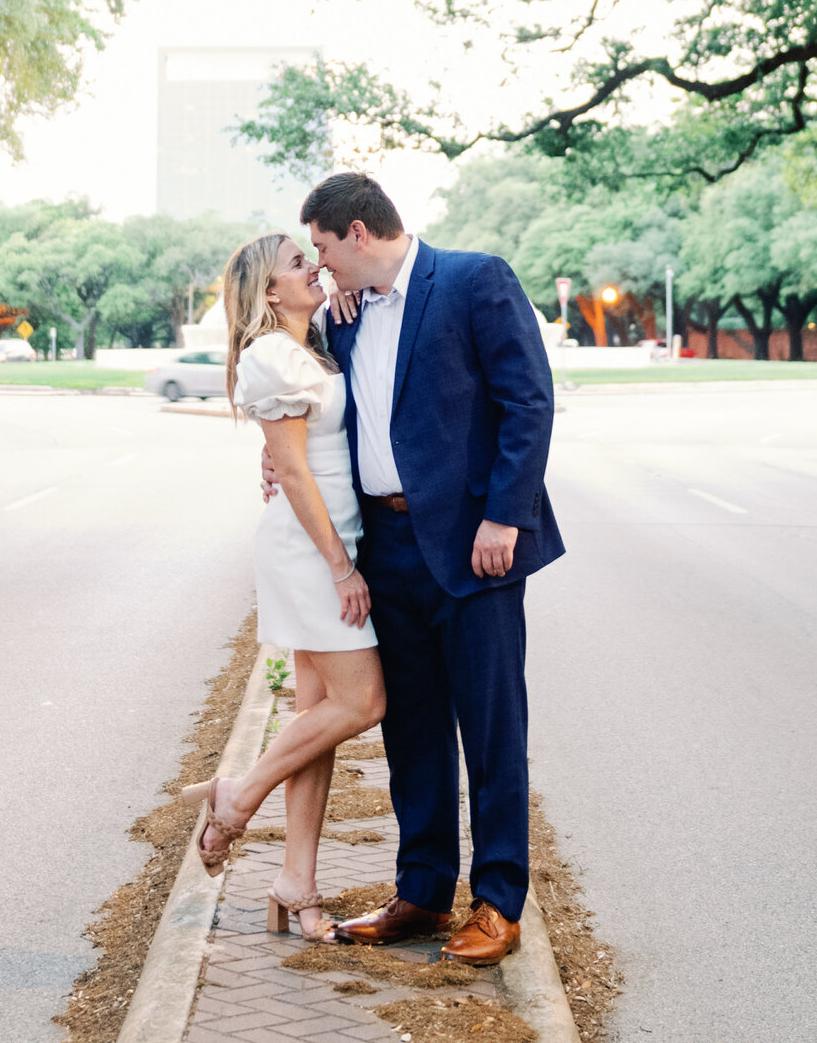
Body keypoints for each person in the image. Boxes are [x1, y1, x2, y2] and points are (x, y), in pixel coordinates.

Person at [265, 171, 563, 967]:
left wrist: (506, 513)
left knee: (492, 729)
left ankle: (498, 904)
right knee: (413, 730)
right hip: (387, 550)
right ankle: (423, 891)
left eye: (324, 249)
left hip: (475, 546)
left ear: (358, 233)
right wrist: (276, 463)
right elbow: (316, 414)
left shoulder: (474, 279)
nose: (321, 268)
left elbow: (529, 401)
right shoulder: (346, 319)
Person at [180, 232, 384, 939]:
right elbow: (292, 471)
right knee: (363, 701)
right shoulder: (273, 357)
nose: (316, 266)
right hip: (310, 549)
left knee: (316, 718)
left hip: (329, 536)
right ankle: (237, 798)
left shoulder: (311, 343)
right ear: (269, 293)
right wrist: (340, 566)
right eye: (299, 263)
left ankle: (297, 881)